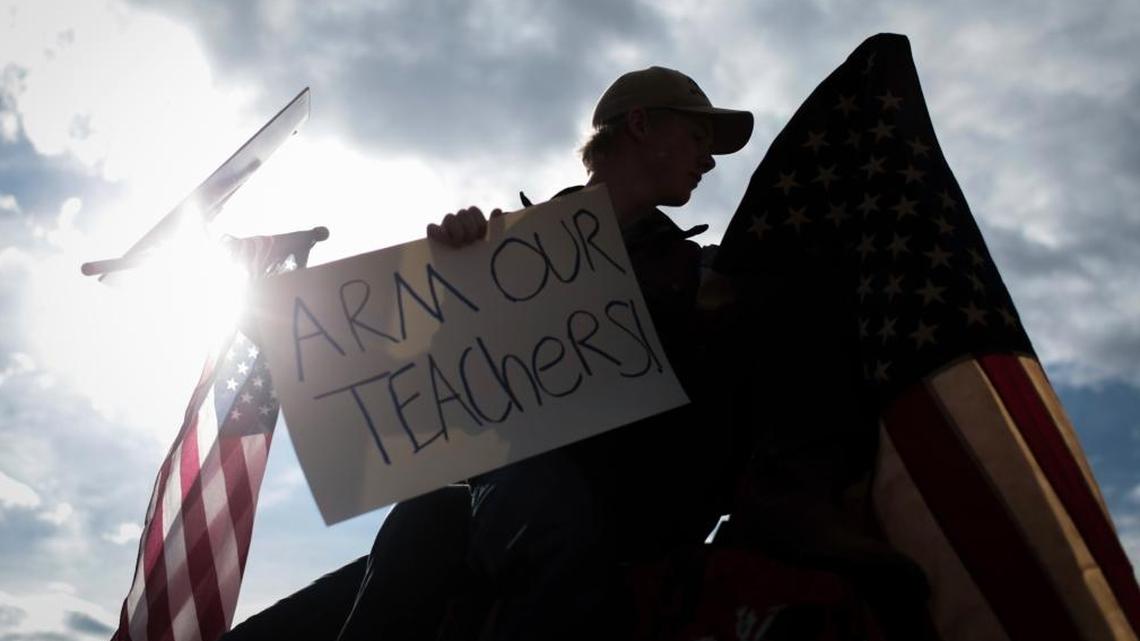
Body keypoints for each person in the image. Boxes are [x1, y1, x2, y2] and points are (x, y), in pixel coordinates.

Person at [427, 66, 756, 640]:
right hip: (510, 502)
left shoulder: (699, 272)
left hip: (631, 517)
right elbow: (446, 401)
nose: (709, 161)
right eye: (699, 138)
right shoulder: (511, 249)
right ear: (639, 125)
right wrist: (458, 281)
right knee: (422, 521)